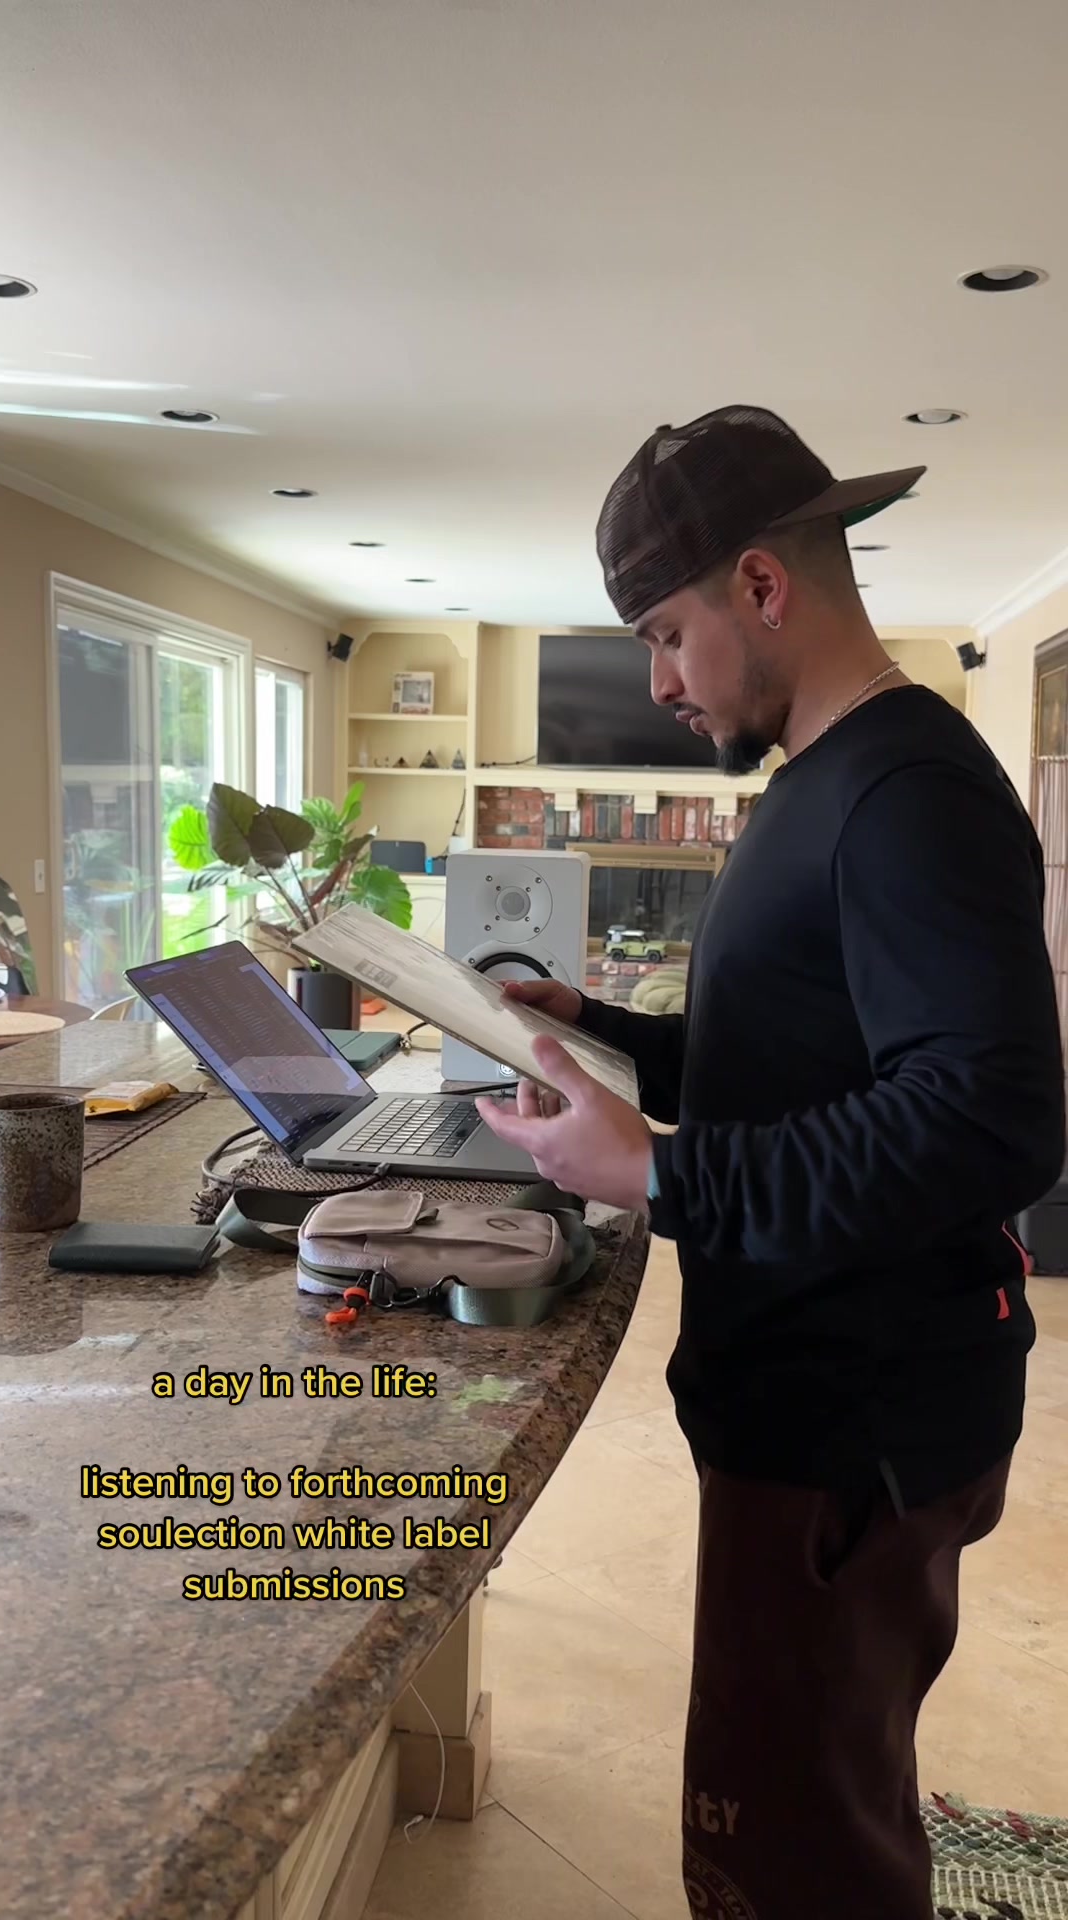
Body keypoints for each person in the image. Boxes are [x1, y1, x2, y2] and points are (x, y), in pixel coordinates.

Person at [477, 405, 1065, 1920]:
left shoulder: (909, 792)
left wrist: (664, 1179)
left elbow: (990, 1117)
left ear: (760, 585)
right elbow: (804, 1053)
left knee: (796, 1856)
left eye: (666, 638)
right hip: (816, 1400)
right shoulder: (823, 776)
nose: (660, 685)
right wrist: (604, 1033)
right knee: (798, 1808)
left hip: (853, 1423)